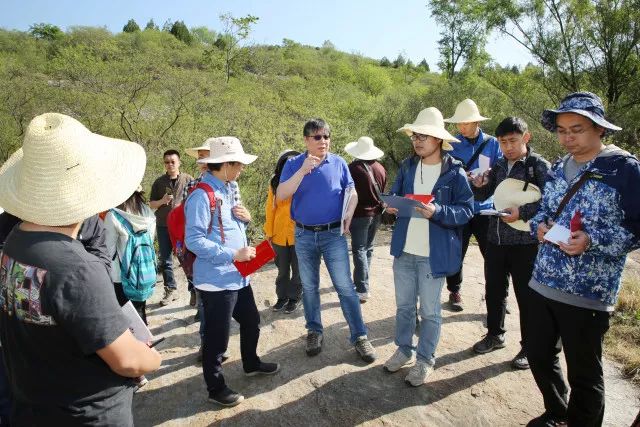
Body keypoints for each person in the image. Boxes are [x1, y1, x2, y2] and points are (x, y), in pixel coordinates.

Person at [0, 113, 161, 425]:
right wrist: (151, 357)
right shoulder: (75, 268)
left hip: (34, 406)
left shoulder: (14, 244)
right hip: (85, 413)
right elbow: (128, 360)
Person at [527, 92, 640, 426]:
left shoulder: (623, 169)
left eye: (576, 129)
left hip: (588, 293)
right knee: (538, 355)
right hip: (543, 280)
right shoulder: (558, 167)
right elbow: (543, 212)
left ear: (600, 129)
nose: (568, 137)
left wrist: (593, 240)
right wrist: (541, 227)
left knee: (585, 375)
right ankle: (558, 413)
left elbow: (638, 227)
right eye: (562, 130)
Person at [185, 136, 279, 407]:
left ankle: (250, 363)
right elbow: (194, 240)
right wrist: (232, 254)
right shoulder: (201, 196)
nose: (242, 169)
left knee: (251, 321)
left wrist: (246, 220)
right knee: (217, 339)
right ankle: (215, 388)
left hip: (239, 276)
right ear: (225, 164)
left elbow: (231, 228)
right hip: (217, 281)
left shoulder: (228, 189)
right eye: (238, 164)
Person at [383, 107, 473, 386]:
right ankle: (404, 350)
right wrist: (392, 206)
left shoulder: (455, 172)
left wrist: (439, 212)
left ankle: (425, 361)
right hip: (405, 250)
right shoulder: (408, 167)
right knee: (404, 307)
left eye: (424, 136)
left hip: (433, 255)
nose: (418, 141)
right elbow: (396, 196)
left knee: (431, 312)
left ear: (438, 140)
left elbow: (467, 211)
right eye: (414, 136)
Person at [277, 118, 377, 363]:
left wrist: (349, 212)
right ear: (306, 140)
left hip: (333, 235)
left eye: (326, 136)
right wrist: (302, 170)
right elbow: (281, 195)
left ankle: (360, 336)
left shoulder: (339, 162)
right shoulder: (293, 164)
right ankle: (314, 331)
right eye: (317, 137)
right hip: (303, 234)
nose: (324, 141)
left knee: (345, 287)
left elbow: (351, 191)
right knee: (310, 288)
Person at [469, 117, 551, 370]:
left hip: (525, 242)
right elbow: (486, 195)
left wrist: (523, 211)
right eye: (503, 142)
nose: (508, 147)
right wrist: (479, 186)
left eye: (513, 141)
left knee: (526, 297)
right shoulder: (499, 166)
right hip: (495, 238)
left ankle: (529, 346)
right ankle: (495, 334)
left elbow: (551, 201)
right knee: (494, 290)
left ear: (526, 138)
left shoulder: (538, 166)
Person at [444, 99, 502, 311]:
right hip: (460, 206)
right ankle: (454, 290)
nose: (461, 127)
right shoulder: (451, 144)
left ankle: (495, 298)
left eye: (465, 123)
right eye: (459, 123)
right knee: (457, 251)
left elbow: (501, 169)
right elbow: (446, 172)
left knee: (492, 256)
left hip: (486, 207)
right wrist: (463, 177)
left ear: (476, 122)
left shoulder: (493, 143)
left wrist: (488, 177)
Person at [104, 188, 156, 324]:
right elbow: (150, 240)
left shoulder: (113, 215)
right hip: (145, 272)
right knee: (140, 309)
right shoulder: (148, 213)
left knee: (126, 315)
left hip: (121, 276)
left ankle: (135, 340)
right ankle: (145, 340)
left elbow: (108, 251)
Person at [345, 136, 387, 303]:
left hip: (360, 215)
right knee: (368, 248)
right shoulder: (381, 168)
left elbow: (346, 192)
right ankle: (363, 281)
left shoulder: (353, 168)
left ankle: (362, 288)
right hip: (377, 214)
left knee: (359, 249)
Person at [149, 149, 193, 306]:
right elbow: (151, 204)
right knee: (166, 259)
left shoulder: (188, 180)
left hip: (181, 228)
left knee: (185, 257)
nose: (169, 164)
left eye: (172, 161)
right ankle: (171, 290)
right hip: (163, 225)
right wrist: (161, 201)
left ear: (179, 162)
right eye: (166, 162)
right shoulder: (159, 182)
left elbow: (196, 201)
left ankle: (193, 290)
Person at [264, 149, 302, 314]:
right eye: (287, 162)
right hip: (279, 234)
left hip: (300, 234)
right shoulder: (274, 182)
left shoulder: (304, 180)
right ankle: (282, 297)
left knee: (298, 270)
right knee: (282, 270)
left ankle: (294, 298)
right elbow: (269, 209)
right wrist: (269, 232)